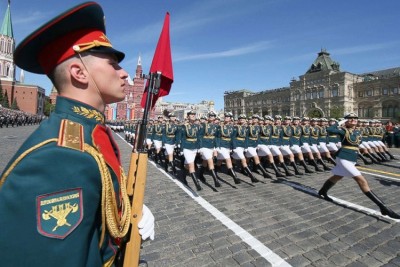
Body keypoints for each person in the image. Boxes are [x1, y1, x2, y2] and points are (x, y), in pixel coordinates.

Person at [0, 3, 154, 266]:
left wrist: (123, 210)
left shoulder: (89, 131)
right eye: (113, 63)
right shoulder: (58, 157)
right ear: (79, 73)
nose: (124, 72)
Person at [318, 113, 400, 219]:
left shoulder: (357, 131)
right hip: (343, 157)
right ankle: (383, 208)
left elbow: (357, 143)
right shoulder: (343, 130)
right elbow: (329, 129)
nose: (353, 120)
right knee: (361, 180)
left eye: (355, 118)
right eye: (350, 119)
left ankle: (323, 191)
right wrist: (341, 122)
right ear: (346, 121)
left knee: (337, 176)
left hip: (352, 158)